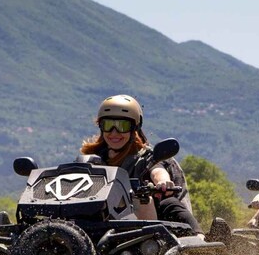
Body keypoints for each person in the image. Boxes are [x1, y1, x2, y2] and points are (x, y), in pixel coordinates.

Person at [81, 94, 202, 232]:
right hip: (104, 223)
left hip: (148, 223)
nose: (114, 132)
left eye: (122, 126)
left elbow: (158, 170)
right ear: (101, 127)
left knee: (166, 203)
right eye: (108, 125)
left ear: (134, 128)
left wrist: (163, 182)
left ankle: (200, 241)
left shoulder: (146, 158)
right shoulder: (92, 161)